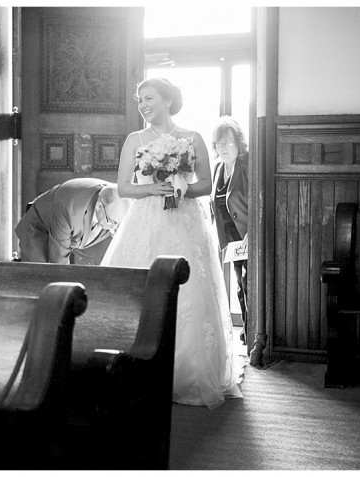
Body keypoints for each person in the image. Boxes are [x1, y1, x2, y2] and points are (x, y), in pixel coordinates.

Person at [101, 77, 242, 409]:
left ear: (167, 100)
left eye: (148, 98)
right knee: (141, 289)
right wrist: (154, 188)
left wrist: (182, 186)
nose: (143, 105)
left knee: (191, 292)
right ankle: (135, 367)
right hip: (145, 220)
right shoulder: (135, 139)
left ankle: (188, 371)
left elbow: (205, 184)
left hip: (186, 221)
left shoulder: (191, 138)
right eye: (139, 100)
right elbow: (123, 187)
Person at [15, 178, 129, 264]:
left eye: (118, 223)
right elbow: (58, 262)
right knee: (39, 276)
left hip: (66, 231)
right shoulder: (68, 209)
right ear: (99, 207)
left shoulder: (115, 201)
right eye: (112, 222)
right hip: (38, 229)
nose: (114, 228)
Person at [209, 117, 250, 343]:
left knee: (248, 283)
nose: (223, 147)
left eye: (228, 142)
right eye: (218, 143)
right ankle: (246, 330)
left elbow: (257, 201)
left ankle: (251, 332)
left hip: (247, 236)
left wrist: (252, 233)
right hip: (231, 239)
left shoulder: (247, 166)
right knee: (239, 285)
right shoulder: (217, 169)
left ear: (238, 142)